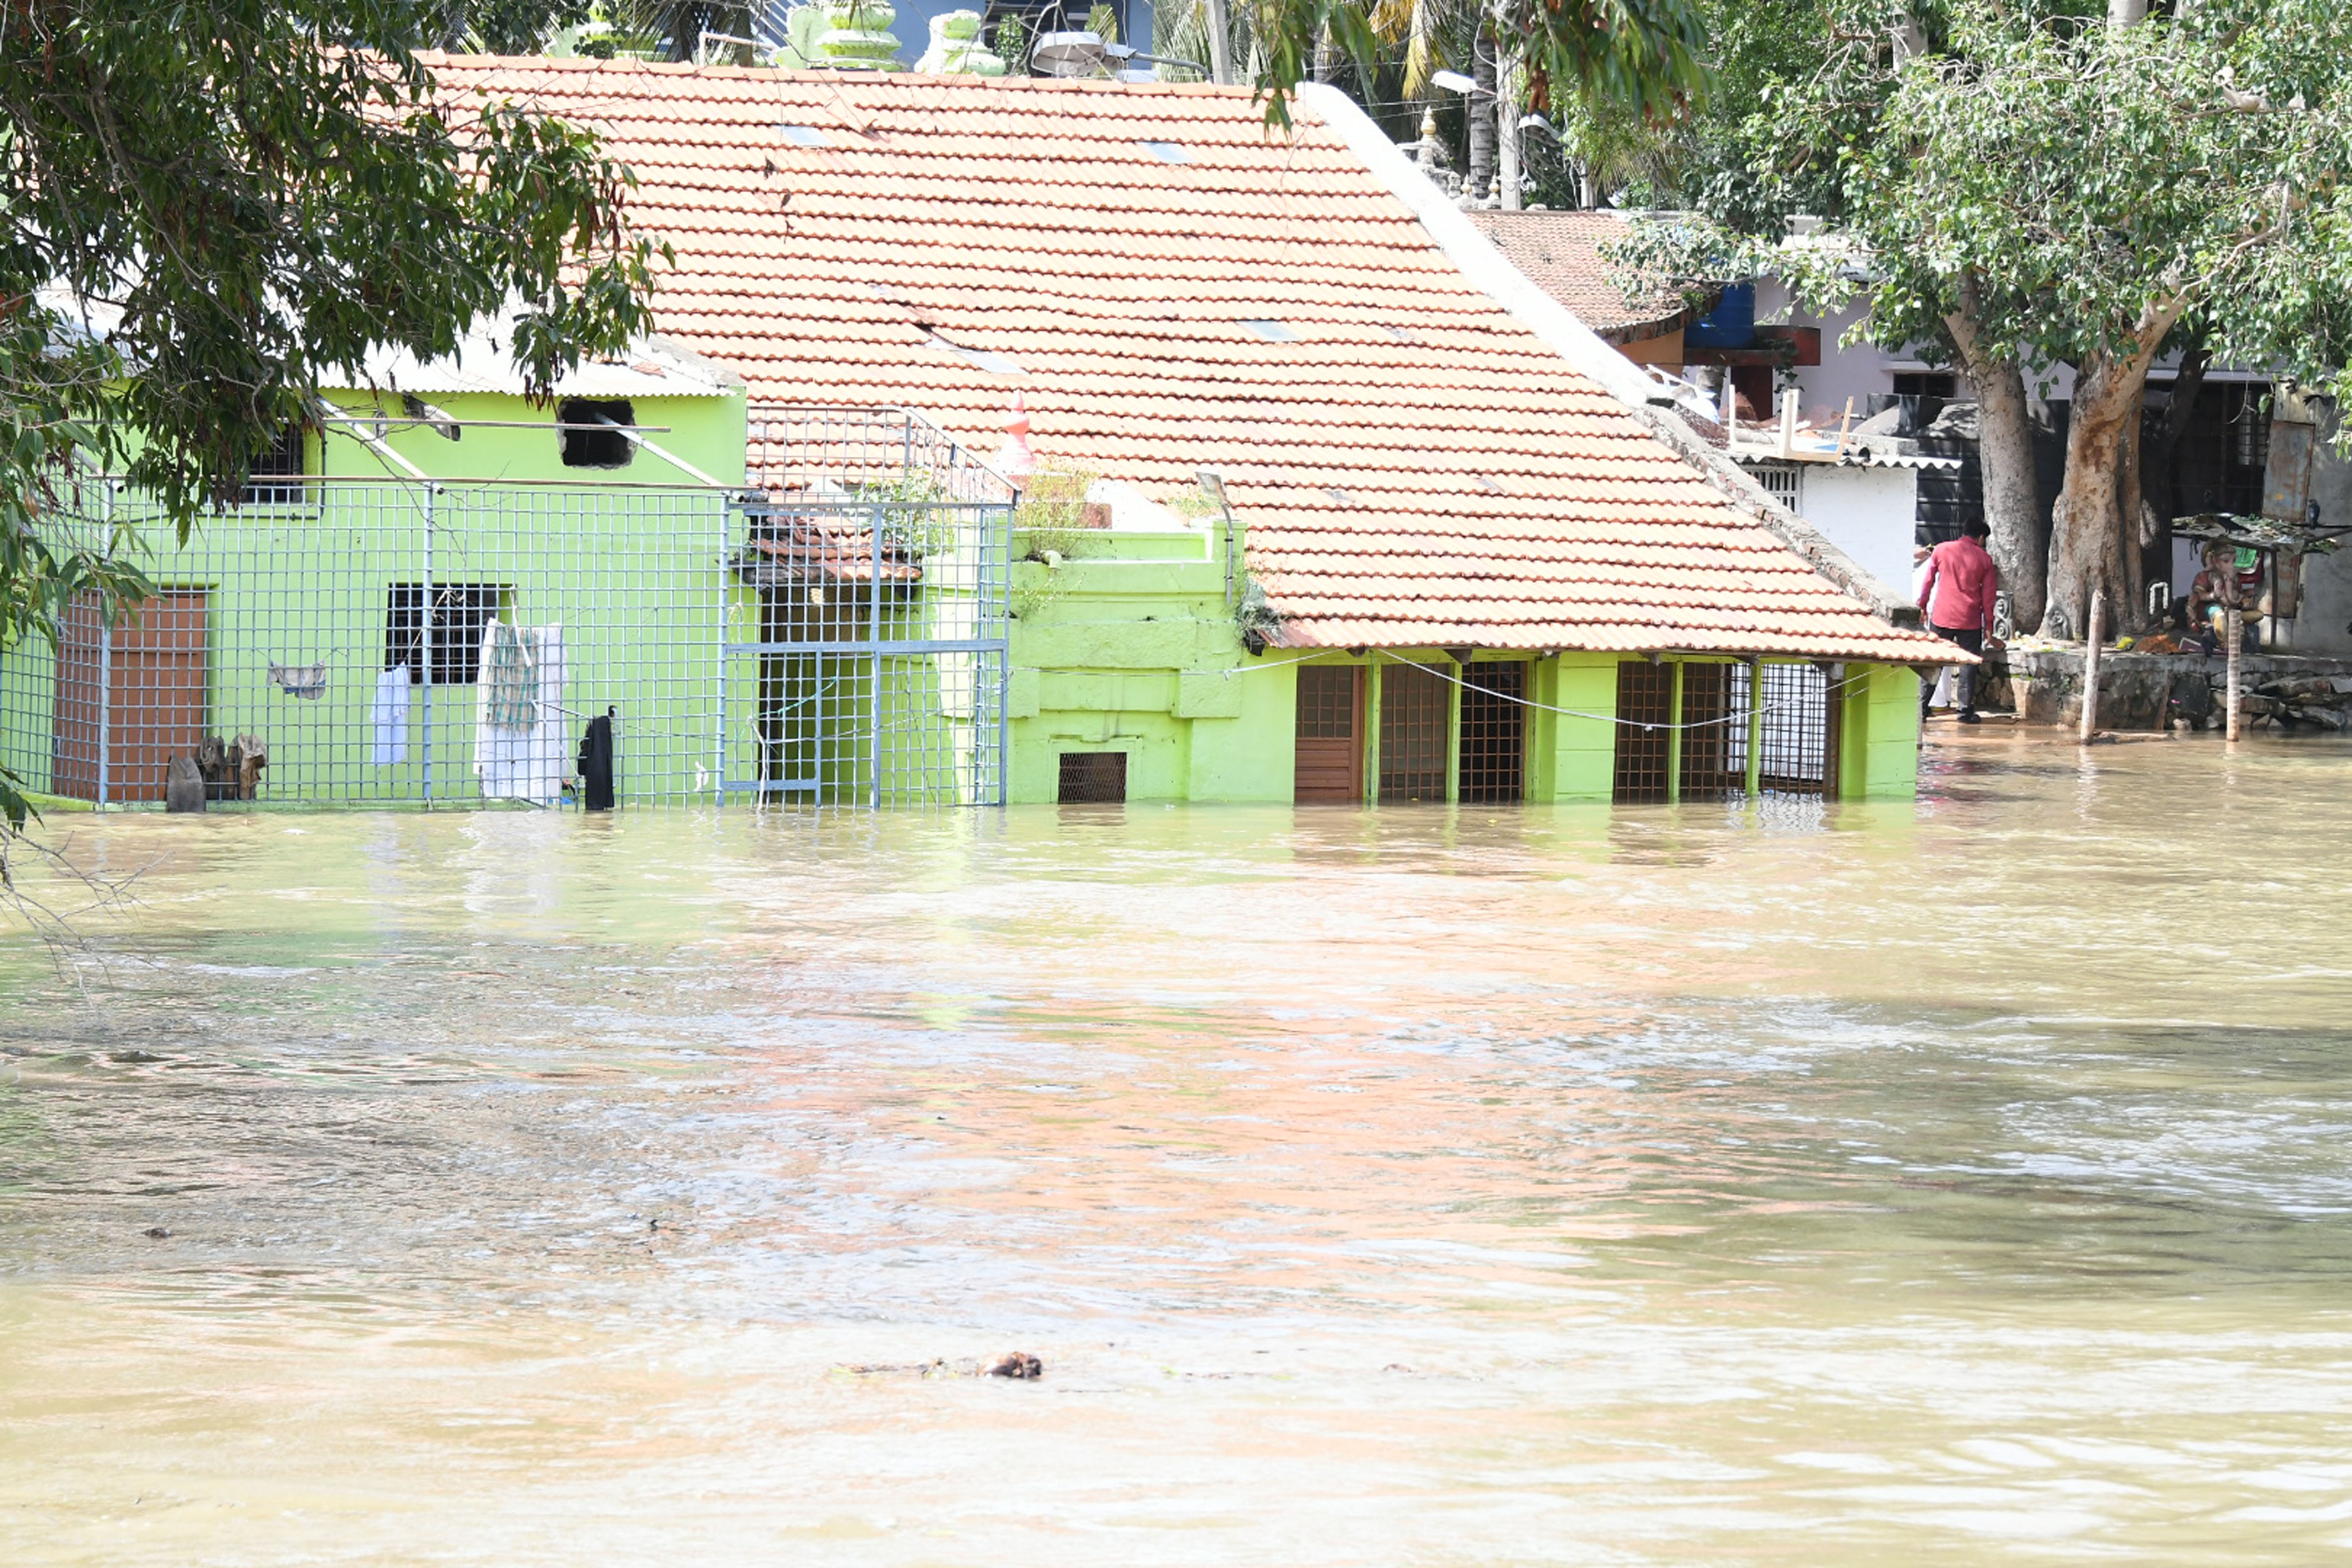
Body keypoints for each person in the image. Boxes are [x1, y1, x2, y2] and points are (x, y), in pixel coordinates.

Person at [1916, 518, 2000, 724]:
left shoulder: (1942, 550)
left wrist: (1922, 606)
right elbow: (1989, 597)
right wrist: (1989, 626)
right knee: (1968, 666)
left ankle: (1921, 709)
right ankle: (1965, 712)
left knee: (1934, 662)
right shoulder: (1985, 560)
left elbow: (1928, 581)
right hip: (1969, 620)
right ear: (1981, 538)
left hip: (1942, 616)